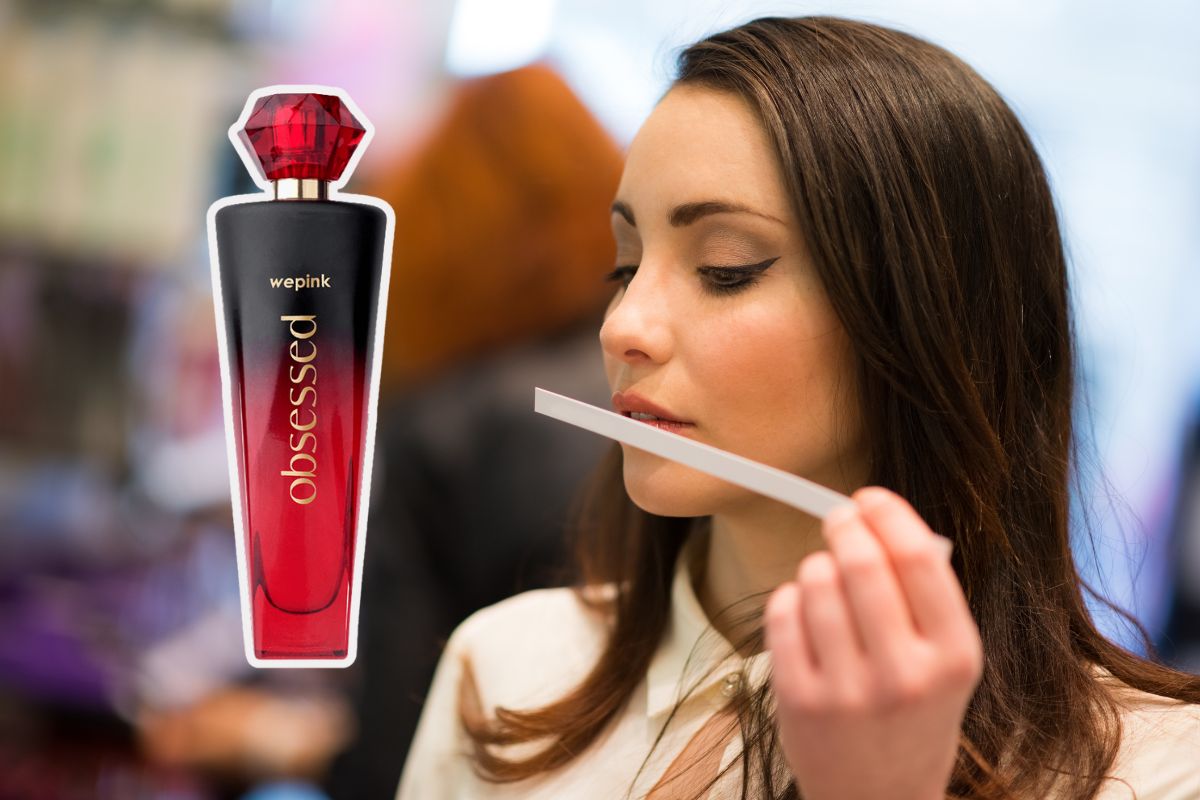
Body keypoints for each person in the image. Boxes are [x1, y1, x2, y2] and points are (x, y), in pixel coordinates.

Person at [394, 15, 1200, 800]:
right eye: (625, 267)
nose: (622, 327)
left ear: (927, 316)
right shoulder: (506, 671)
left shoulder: (1161, 770)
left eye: (726, 268)